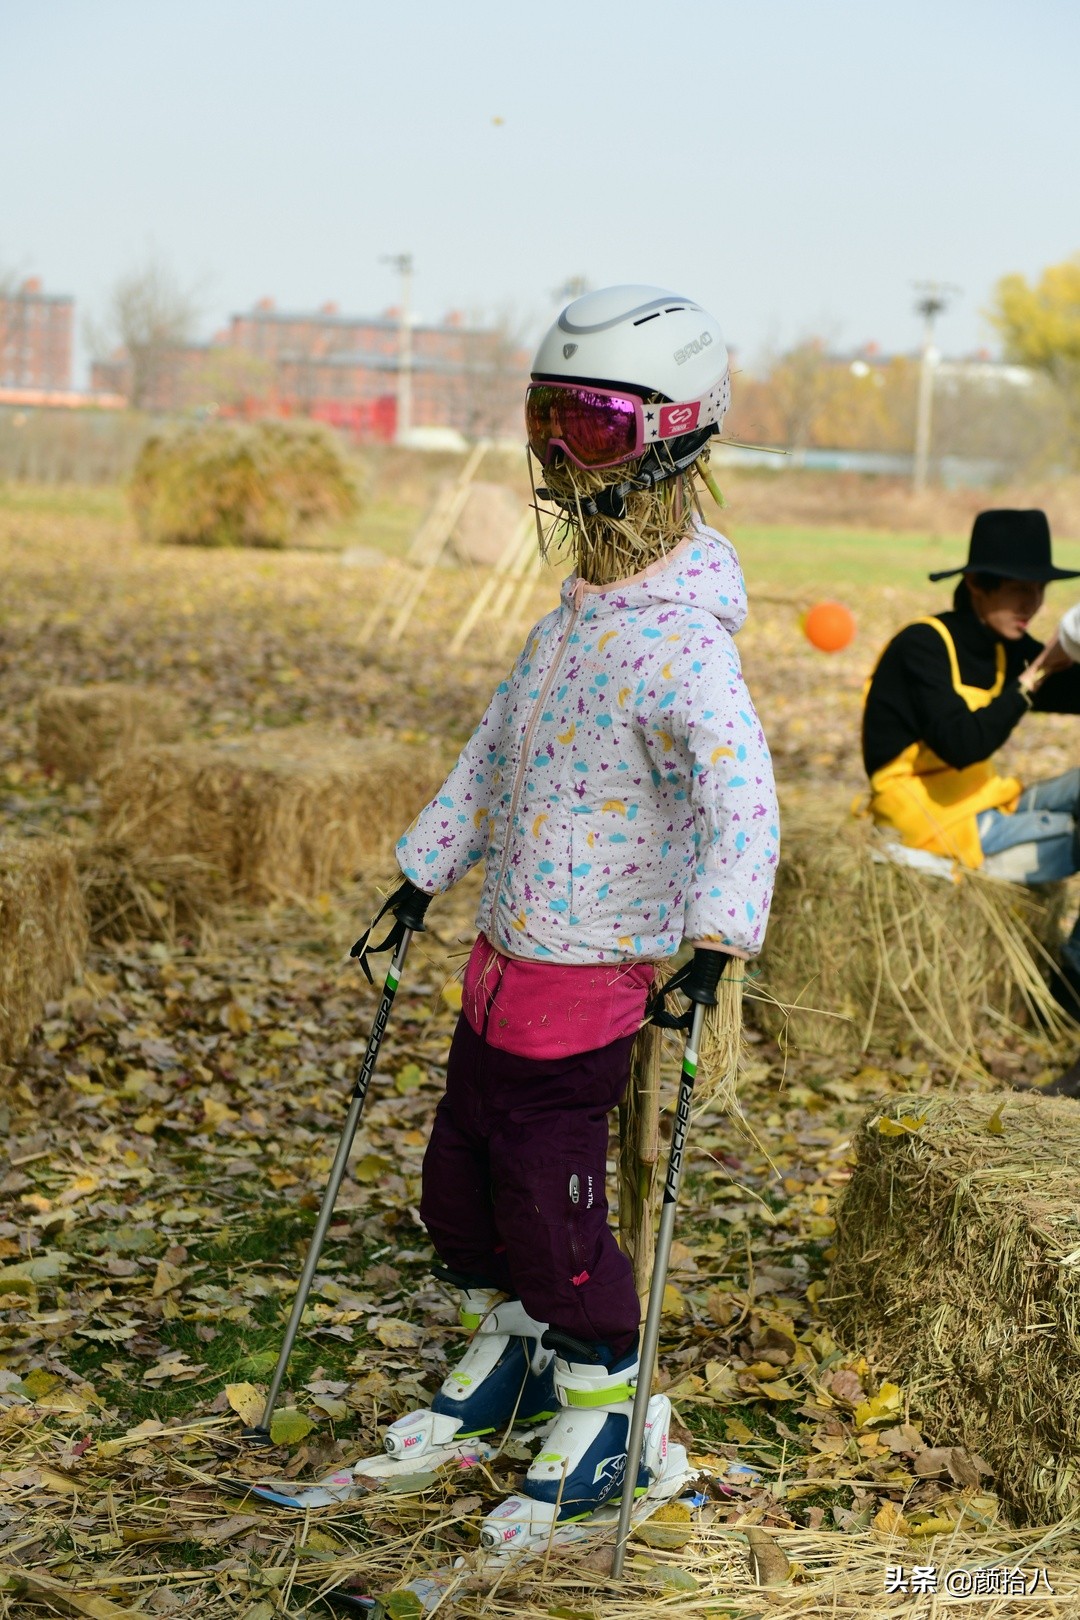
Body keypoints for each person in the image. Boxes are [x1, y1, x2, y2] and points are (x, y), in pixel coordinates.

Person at [364, 285, 779, 1535]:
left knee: (556, 1211)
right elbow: (491, 757)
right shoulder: (565, 630)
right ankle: (520, 1344)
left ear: (672, 436)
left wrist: (717, 941)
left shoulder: (686, 647)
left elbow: (742, 796)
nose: (558, 455)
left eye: (592, 426)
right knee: (457, 1192)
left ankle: (607, 1404)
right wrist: (423, 869)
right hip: (498, 975)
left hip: (588, 981)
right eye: (543, 421)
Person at [862, 507, 1080, 1022]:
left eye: (1040, 590)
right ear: (978, 585)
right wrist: (1032, 679)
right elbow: (962, 743)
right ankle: (1071, 990)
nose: (1033, 604)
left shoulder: (1005, 645)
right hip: (928, 822)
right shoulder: (923, 646)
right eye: (1020, 589)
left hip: (984, 798)